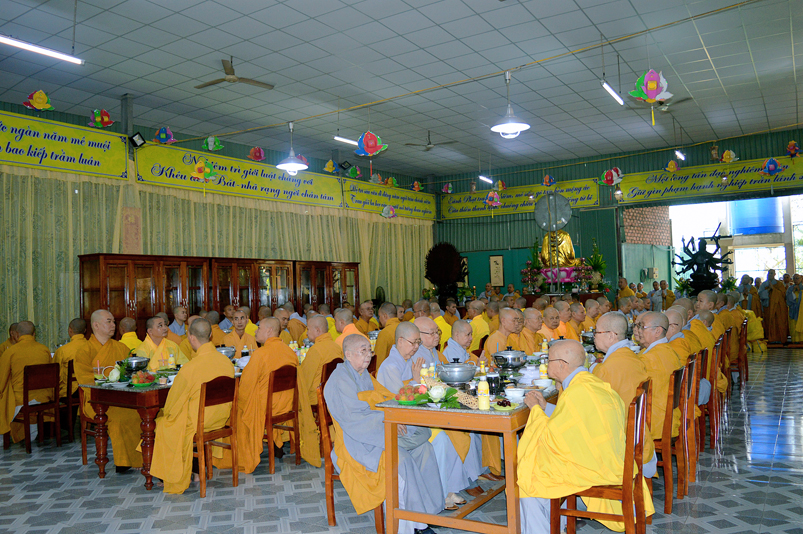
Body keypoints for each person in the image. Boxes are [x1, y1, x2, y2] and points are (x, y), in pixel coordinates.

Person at [518, 339, 655, 531]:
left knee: (530, 480)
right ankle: (560, 524)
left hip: (597, 471)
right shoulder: (593, 383)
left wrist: (535, 410)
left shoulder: (576, 392)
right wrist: (545, 407)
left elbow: (552, 437)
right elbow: (574, 420)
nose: (546, 364)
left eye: (548, 360)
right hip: (614, 461)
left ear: (561, 365)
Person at [325, 334, 442, 534]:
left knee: (424, 447)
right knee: (400, 458)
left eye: (369, 350)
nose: (369, 355)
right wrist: (388, 420)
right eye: (363, 351)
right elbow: (353, 419)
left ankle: (428, 513)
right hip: (356, 442)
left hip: (376, 431)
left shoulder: (363, 375)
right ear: (348, 354)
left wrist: (396, 415)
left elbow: (385, 397)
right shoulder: (339, 380)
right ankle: (411, 526)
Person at [149, 318, 234, 494]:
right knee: (178, 418)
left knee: (164, 423)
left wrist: (164, 413)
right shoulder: (226, 362)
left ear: (191, 338)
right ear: (211, 335)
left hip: (198, 424)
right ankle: (195, 471)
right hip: (220, 419)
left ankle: (174, 475)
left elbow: (172, 405)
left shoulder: (190, 368)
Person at [216, 317, 302, 472]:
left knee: (236, 410)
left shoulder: (261, 354)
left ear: (269, 331)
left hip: (267, 407)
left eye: (259, 328)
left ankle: (236, 457)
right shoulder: (290, 352)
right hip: (287, 404)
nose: (256, 331)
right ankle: (276, 446)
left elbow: (246, 386)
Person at [75, 310, 142, 471]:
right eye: (109, 322)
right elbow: (86, 382)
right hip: (96, 400)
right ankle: (124, 461)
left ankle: (145, 456)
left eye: (113, 321)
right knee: (120, 418)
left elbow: (130, 374)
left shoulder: (121, 347)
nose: (113, 325)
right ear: (96, 325)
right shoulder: (84, 351)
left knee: (144, 412)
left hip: (122, 397)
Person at [297, 315, 344, 467]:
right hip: (333, 394)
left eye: (308, 329)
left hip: (318, 397)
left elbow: (304, 379)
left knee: (294, 398)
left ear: (317, 330)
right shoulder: (335, 346)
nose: (306, 332)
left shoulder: (316, 350)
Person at [0, 321, 53, 443]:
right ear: (34, 334)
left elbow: (2, 380)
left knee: (4, 393)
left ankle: (4, 435)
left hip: (21, 400)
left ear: (17, 335)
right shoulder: (44, 350)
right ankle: (32, 432)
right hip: (44, 397)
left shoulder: (10, 352)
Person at [634, 312, 680, 441]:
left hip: (655, 421)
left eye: (643, 327)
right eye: (638, 326)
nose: (638, 330)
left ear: (658, 331)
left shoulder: (650, 358)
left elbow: (632, 386)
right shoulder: (669, 351)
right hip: (670, 416)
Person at [53, 318, 89, 398]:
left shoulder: (63, 350)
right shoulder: (92, 347)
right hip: (89, 389)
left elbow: (55, 375)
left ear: (70, 330)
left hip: (70, 391)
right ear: (85, 330)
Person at [373, 302, 400, 368]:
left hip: (390, 370)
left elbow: (379, 360)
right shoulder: (405, 327)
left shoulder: (385, 333)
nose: (379, 319)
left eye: (379, 316)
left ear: (385, 316)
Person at [787, 275, 803, 343]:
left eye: (797, 278)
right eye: (794, 278)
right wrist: (793, 292)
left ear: (801, 279)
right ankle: (795, 340)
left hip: (801, 310)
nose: (796, 280)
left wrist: (800, 292)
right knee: (793, 325)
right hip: (793, 310)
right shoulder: (790, 288)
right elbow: (788, 300)